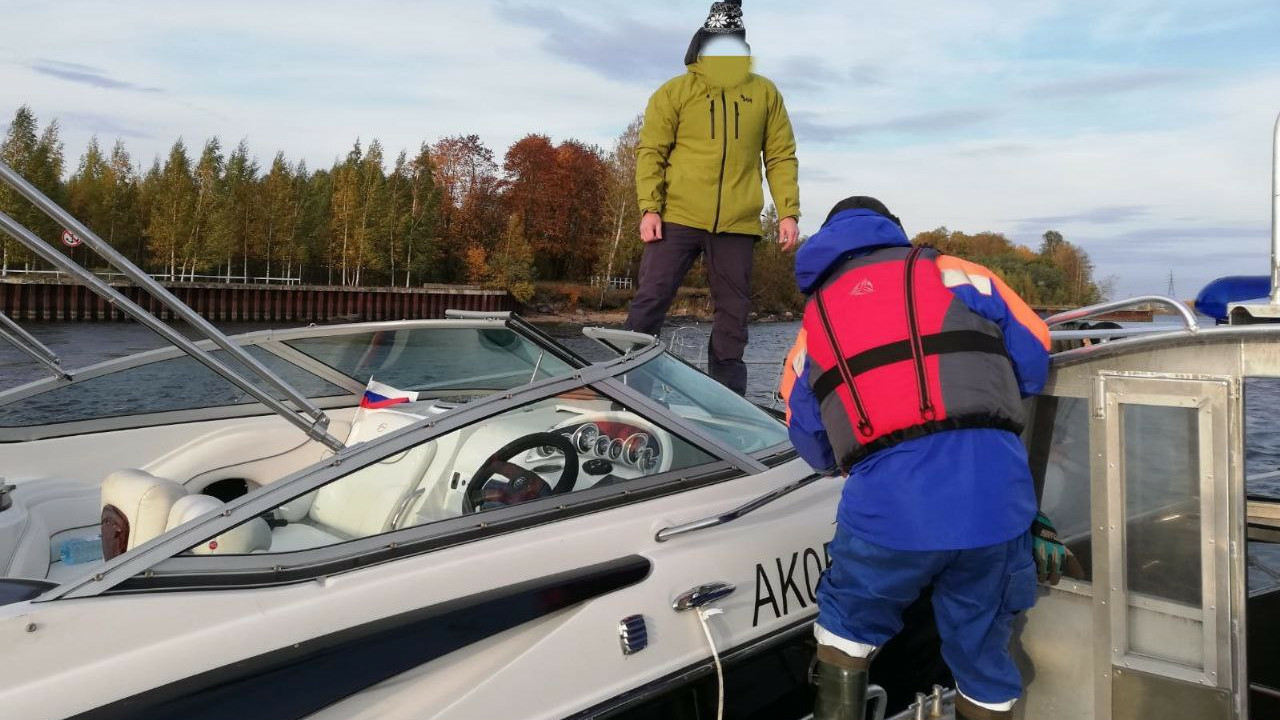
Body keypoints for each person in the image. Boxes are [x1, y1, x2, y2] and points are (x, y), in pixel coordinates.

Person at [781, 197, 1073, 720]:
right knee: (983, 654)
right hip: (995, 502)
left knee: (846, 631)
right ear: (893, 230)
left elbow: (811, 442)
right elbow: (1034, 354)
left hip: (887, 512)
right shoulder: (962, 274)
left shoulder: (815, 320)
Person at [627, 0, 800, 395]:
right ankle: (628, 391)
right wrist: (649, 207)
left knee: (733, 317)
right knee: (650, 301)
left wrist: (788, 212)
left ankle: (725, 403)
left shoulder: (765, 93)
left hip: (738, 223)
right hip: (677, 217)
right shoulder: (675, 91)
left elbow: (780, 155)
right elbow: (651, 150)